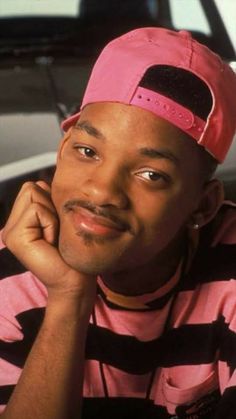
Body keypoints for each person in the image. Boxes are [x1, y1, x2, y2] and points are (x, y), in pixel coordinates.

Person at [0, 26, 236, 419]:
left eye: (151, 175)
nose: (102, 192)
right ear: (62, 152)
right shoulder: (15, 267)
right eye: (88, 151)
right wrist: (68, 298)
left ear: (202, 205)